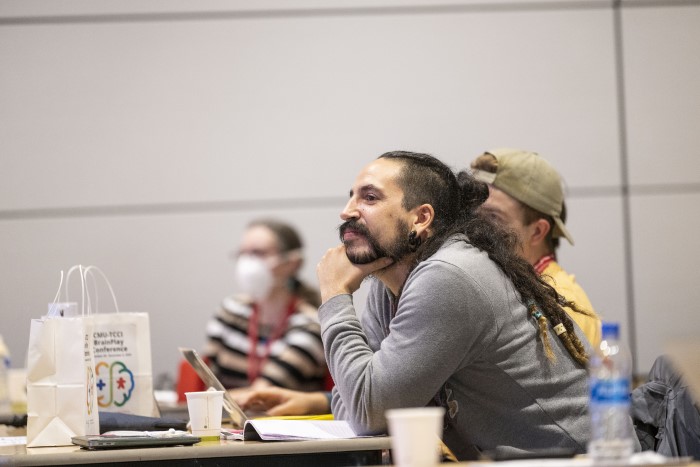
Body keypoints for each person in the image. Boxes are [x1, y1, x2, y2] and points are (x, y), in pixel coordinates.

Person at [315, 150, 597, 460]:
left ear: (421, 218)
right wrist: (365, 407)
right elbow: (357, 414)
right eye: (351, 197)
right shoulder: (390, 283)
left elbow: (367, 412)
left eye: (369, 198)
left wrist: (334, 296)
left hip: (578, 461)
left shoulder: (449, 275)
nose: (347, 212)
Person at [470, 148, 602, 347]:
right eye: (473, 214)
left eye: (493, 217)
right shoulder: (504, 286)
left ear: (538, 232)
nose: (474, 229)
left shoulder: (562, 306)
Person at [204, 219, 326, 399]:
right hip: (229, 424)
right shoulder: (229, 311)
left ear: (292, 264)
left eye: (258, 253)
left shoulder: (311, 326)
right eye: (243, 253)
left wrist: (208, 402)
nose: (247, 262)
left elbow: (262, 395)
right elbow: (208, 378)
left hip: (283, 423)